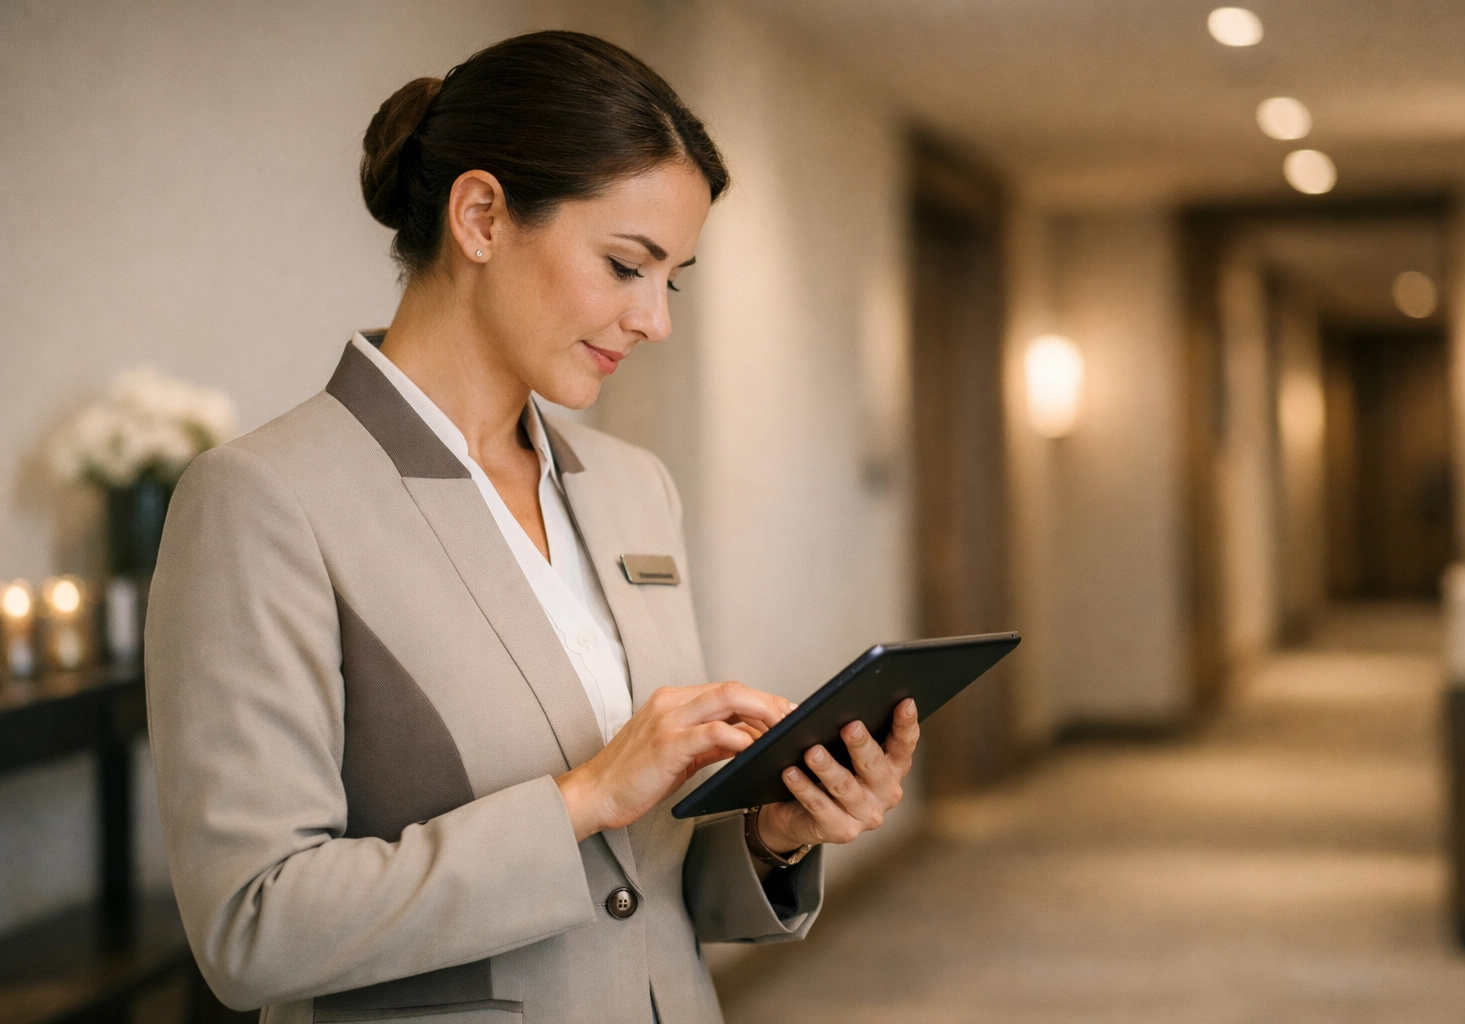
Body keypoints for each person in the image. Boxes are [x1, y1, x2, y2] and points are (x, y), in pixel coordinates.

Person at [145, 30, 917, 1024]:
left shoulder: (636, 489)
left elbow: (637, 892)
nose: (655, 320)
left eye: (669, 278)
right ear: (479, 216)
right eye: (625, 264)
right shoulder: (261, 500)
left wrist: (770, 833)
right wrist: (583, 795)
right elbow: (252, 929)